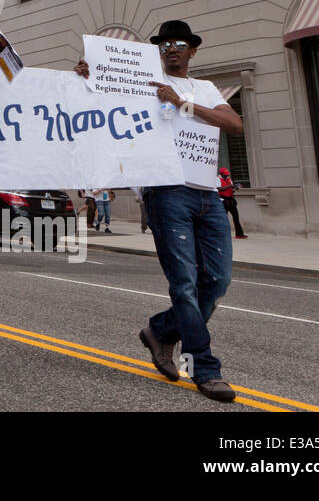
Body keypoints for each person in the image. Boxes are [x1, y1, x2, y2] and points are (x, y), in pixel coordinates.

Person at [75, 20, 243, 402]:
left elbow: (234, 124)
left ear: (193, 51)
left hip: (207, 194)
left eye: (181, 43)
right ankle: (204, 366)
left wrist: (180, 102)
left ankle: (161, 330)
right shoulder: (140, 84)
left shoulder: (204, 88)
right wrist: (86, 77)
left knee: (216, 282)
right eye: (166, 43)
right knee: (184, 282)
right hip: (166, 194)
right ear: (158, 50)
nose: (173, 48)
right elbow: (95, 101)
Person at [218, 168, 246, 238]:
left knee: (236, 217)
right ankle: (222, 235)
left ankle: (239, 234)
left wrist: (236, 188)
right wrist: (230, 186)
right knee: (223, 218)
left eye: (227, 174)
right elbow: (219, 189)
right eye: (225, 174)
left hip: (231, 199)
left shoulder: (229, 179)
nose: (227, 175)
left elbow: (231, 190)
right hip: (223, 200)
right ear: (221, 174)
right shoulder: (217, 179)